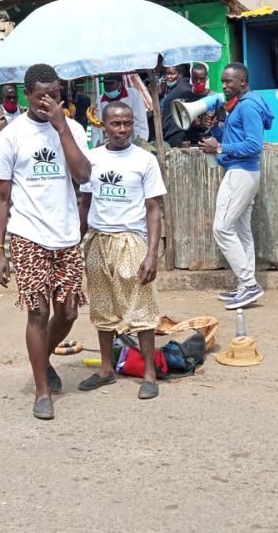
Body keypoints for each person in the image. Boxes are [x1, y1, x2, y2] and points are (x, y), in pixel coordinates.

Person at [0, 63, 91, 421]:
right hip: (28, 235)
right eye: (42, 95)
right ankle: (41, 390)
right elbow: (0, 199)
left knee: (68, 313)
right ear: (27, 95)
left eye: (55, 94)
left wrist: (61, 127)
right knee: (38, 311)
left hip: (65, 236)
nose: (49, 101)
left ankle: (42, 360)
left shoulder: (73, 128)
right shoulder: (11, 136)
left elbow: (83, 176)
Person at [78, 101, 167, 399]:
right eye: (116, 123)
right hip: (98, 241)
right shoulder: (91, 159)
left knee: (142, 308)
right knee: (102, 308)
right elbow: (85, 204)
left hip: (132, 241)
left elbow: (154, 209)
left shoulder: (144, 160)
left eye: (127, 123)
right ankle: (106, 370)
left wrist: (152, 253)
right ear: (104, 125)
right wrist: (77, 244)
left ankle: (149, 374)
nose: (123, 129)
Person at [199, 62, 274, 310]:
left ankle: (249, 283)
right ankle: (246, 286)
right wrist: (218, 129)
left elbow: (254, 145)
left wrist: (219, 148)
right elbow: (237, 139)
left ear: (242, 81)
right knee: (242, 231)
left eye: (229, 81)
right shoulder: (240, 106)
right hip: (244, 173)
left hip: (241, 173)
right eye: (223, 81)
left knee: (222, 229)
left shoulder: (248, 106)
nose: (224, 85)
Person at [97, 74, 148, 141]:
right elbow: (97, 127)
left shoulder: (134, 95)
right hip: (110, 143)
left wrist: (140, 143)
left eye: (111, 83)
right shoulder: (99, 100)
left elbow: (140, 123)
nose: (107, 86)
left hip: (131, 143)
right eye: (105, 83)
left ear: (120, 82)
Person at [186, 63, 226, 146]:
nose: (198, 82)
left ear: (207, 78)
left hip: (209, 143)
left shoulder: (214, 97)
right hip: (190, 142)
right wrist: (190, 123)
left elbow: (223, 122)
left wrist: (212, 123)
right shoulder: (185, 97)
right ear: (191, 78)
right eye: (195, 78)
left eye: (201, 79)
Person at [161, 64, 194, 147]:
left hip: (176, 133)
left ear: (180, 75)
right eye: (167, 73)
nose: (168, 76)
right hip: (171, 131)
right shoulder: (174, 88)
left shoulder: (183, 89)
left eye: (172, 74)